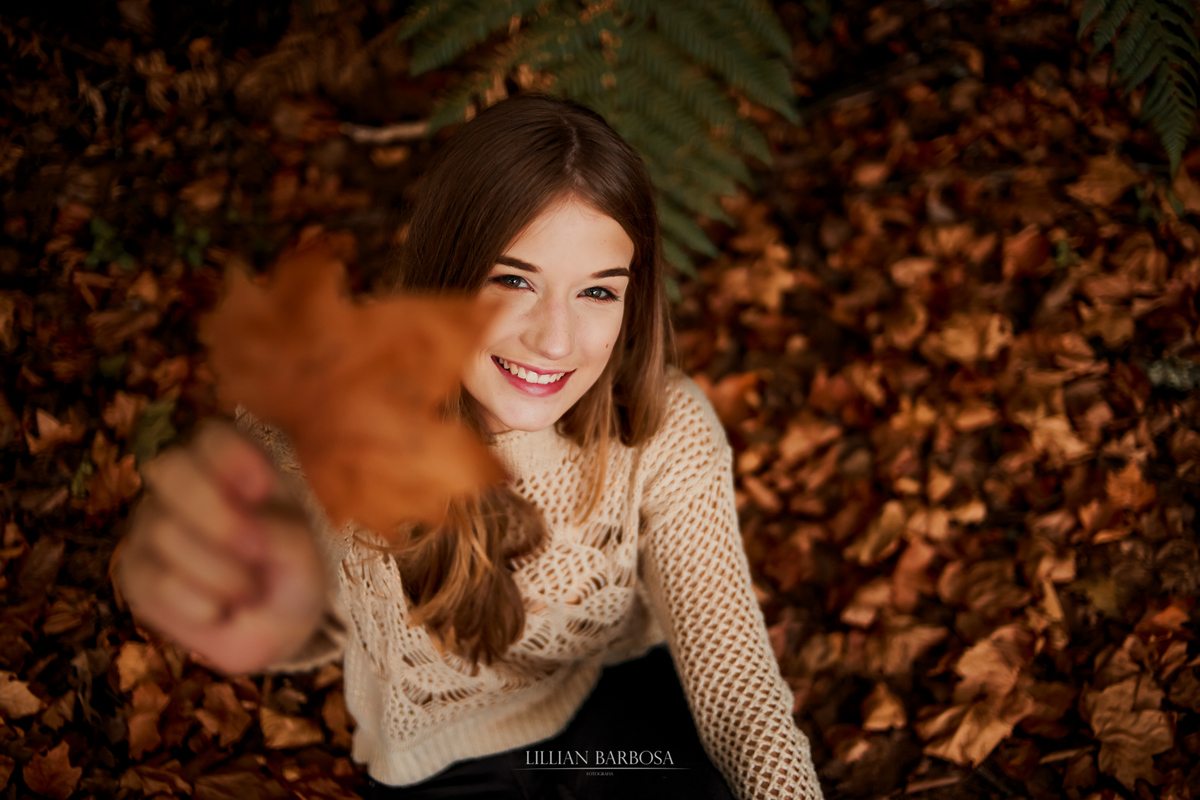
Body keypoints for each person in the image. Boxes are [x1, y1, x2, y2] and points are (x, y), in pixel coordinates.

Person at [115, 94, 824, 800]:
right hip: (442, 758)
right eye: (514, 280)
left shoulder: (664, 427)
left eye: (598, 293)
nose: (555, 339)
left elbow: (740, 696)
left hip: (617, 716)